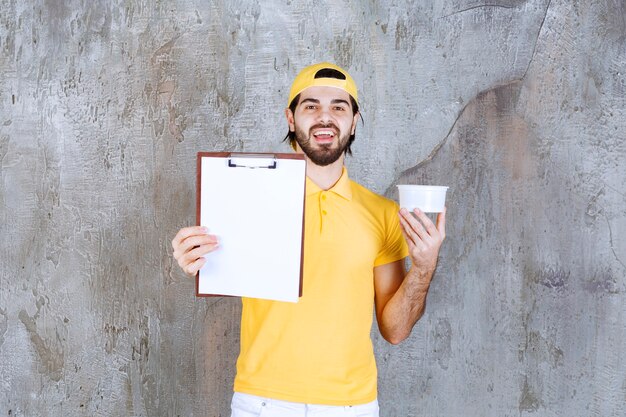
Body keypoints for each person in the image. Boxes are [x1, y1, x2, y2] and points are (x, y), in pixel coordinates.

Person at [171, 62, 446, 417]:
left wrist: (423, 269)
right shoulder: (248, 196)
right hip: (261, 401)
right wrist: (191, 256)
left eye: (339, 107)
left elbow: (395, 330)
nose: (325, 117)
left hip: (351, 405)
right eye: (311, 106)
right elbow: (215, 262)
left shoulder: (383, 214)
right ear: (291, 118)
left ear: (354, 121)